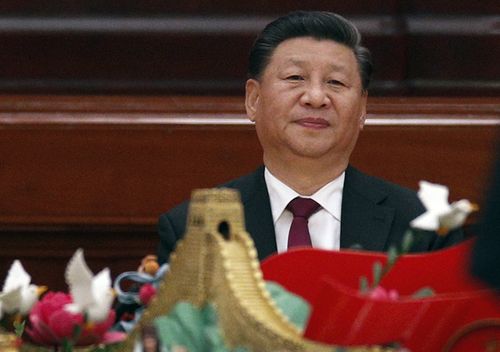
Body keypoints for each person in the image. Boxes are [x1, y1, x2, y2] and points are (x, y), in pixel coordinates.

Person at [157, 11, 463, 264]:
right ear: (253, 99)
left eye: (336, 82)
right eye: (295, 78)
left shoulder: (426, 227)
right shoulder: (192, 228)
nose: (316, 97)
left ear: (362, 109)